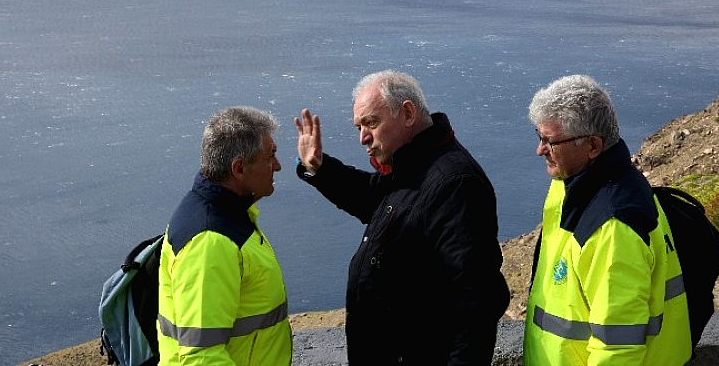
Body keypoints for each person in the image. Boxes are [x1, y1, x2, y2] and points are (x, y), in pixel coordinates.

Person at [294, 70, 509, 365]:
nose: (362, 138)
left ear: (408, 113)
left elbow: (474, 299)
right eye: (359, 126)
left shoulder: (453, 182)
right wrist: (320, 168)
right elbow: (376, 200)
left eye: (371, 123)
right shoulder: (414, 165)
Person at [524, 75, 692, 365]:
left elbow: (617, 347)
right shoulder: (571, 184)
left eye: (549, 141)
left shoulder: (613, 227)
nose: (540, 150)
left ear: (592, 146)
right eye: (539, 137)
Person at [157, 106, 292, 365]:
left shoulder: (229, 216)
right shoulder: (210, 241)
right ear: (239, 168)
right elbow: (202, 358)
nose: (277, 165)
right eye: (270, 156)